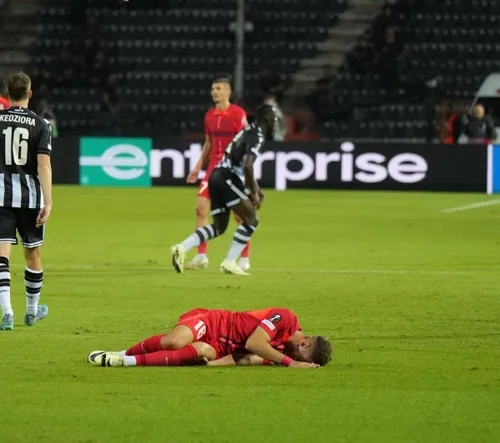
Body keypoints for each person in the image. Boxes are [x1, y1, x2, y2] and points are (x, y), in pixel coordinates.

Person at [172, 104, 276, 275]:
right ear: (267, 118)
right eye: (274, 117)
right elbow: (248, 165)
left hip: (216, 176)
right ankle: (229, 262)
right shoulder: (257, 135)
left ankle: (181, 248)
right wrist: (254, 191)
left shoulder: (249, 129)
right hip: (227, 177)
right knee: (251, 219)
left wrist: (255, 188)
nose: (275, 121)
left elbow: (245, 163)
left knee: (219, 227)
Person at [87, 306, 332, 368]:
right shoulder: (286, 318)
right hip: (211, 322)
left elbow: (243, 358)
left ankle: (125, 362)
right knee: (175, 341)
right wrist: (291, 363)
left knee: (202, 352)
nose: (292, 355)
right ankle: (122, 353)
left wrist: (213, 365)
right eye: (299, 353)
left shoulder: (277, 355)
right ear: (304, 342)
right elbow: (253, 344)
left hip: (219, 347)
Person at [0, 72, 53, 331]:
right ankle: (31, 312)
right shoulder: (42, 125)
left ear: (7, 94)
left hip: (0, 196)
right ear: (30, 94)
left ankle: (6, 312)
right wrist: (49, 200)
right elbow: (44, 164)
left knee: (2, 253)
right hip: (30, 197)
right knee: (33, 253)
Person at [185, 78, 250, 271]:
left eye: (218, 88)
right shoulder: (209, 116)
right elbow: (208, 143)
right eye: (213, 89)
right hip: (213, 170)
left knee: (240, 216)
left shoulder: (238, 114)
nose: (214, 92)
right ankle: (201, 255)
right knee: (200, 209)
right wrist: (197, 167)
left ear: (228, 92)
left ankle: (244, 258)